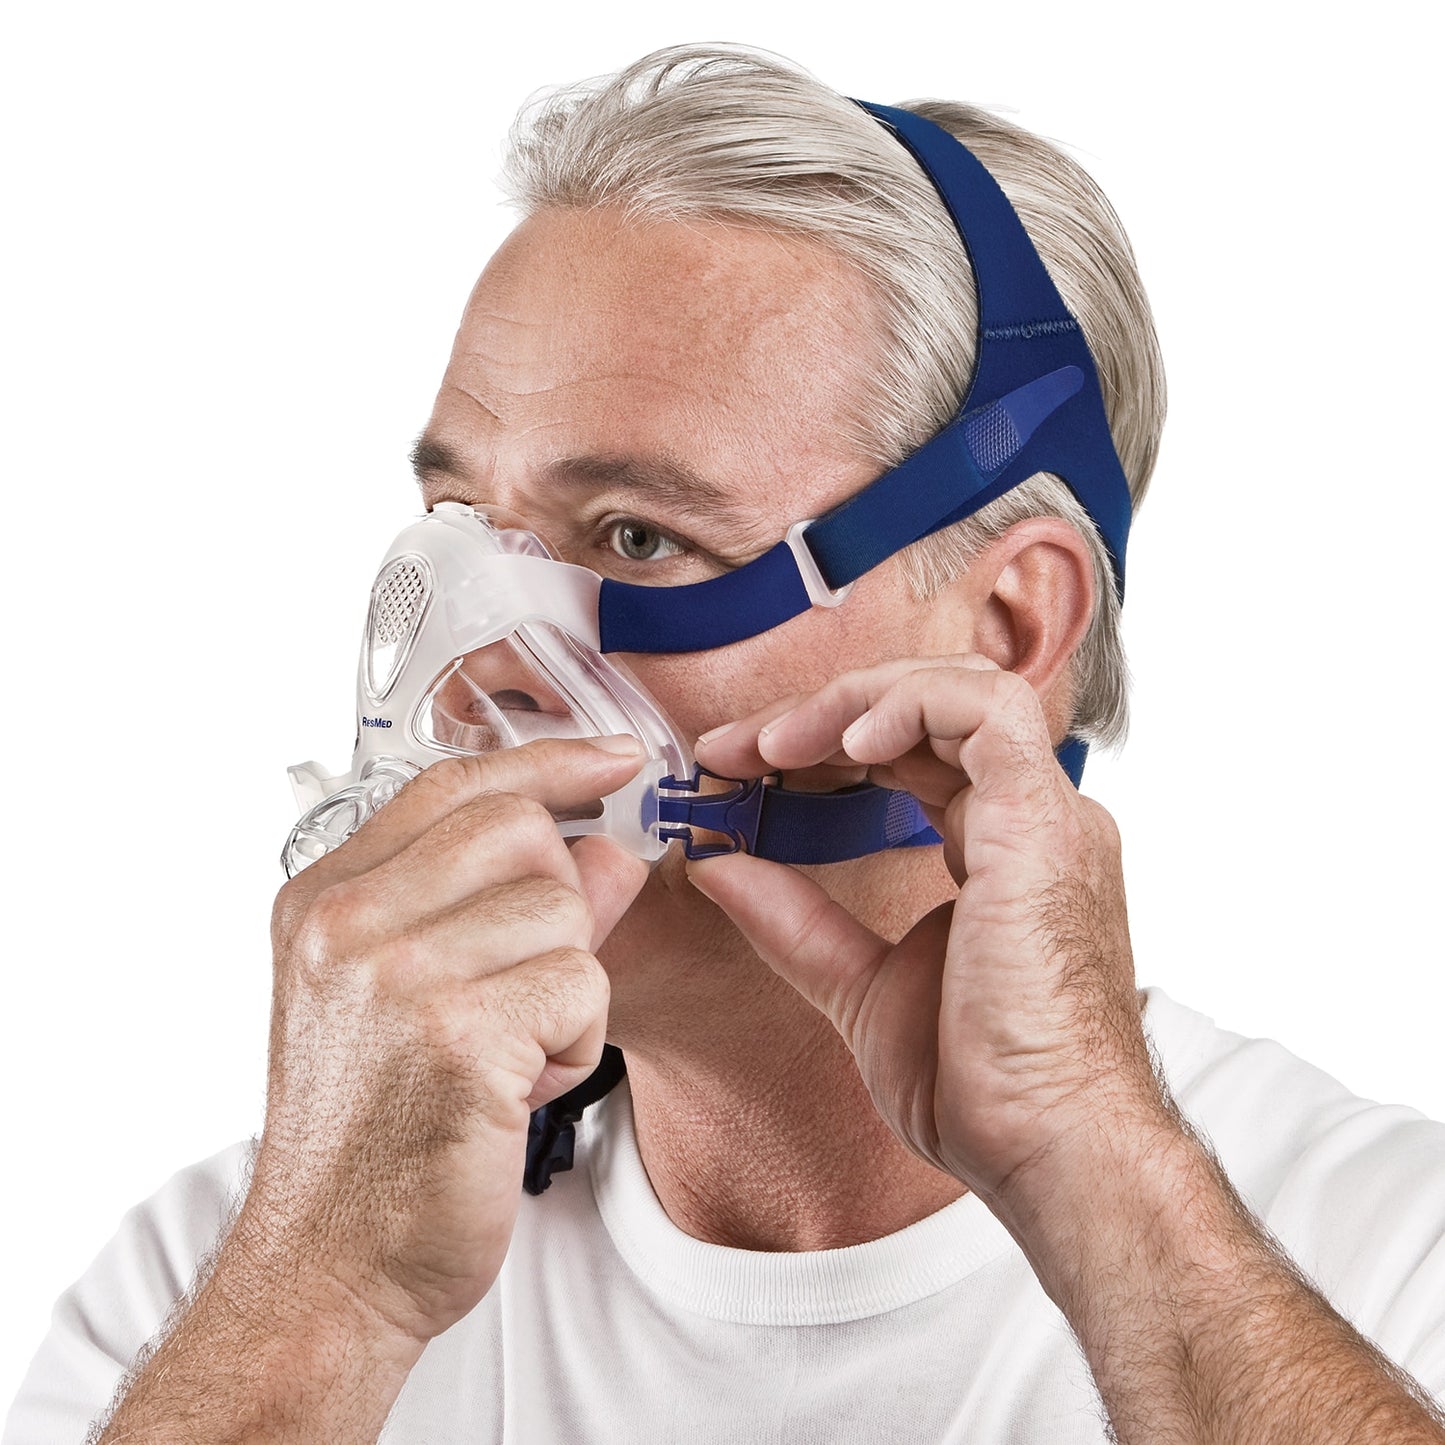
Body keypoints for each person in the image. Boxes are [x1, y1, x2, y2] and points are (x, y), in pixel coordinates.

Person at [7, 43, 1444, 1444]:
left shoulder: (1387, 1265)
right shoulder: (219, 1289)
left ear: (1008, 626)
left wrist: (1097, 1174)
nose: (466, 683)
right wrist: (323, 1285)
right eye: (456, 528)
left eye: (637, 535)